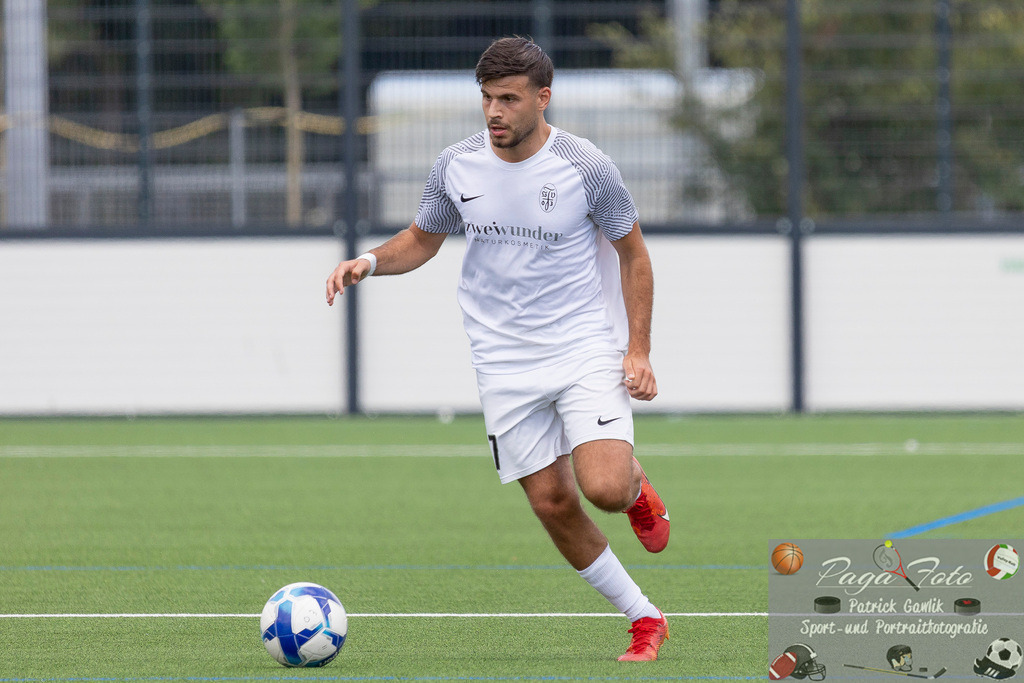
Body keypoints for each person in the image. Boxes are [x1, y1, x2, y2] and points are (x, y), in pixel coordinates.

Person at [326, 36, 670, 662]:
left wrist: (637, 351)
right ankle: (644, 617)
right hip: (503, 361)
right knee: (551, 502)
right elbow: (423, 239)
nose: (494, 113)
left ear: (543, 98)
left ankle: (635, 486)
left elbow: (633, 254)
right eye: (486, 99)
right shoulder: (455, 166)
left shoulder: (586, 166)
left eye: (508, 99)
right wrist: (371, 262)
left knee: (603, 489)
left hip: (581, 346)